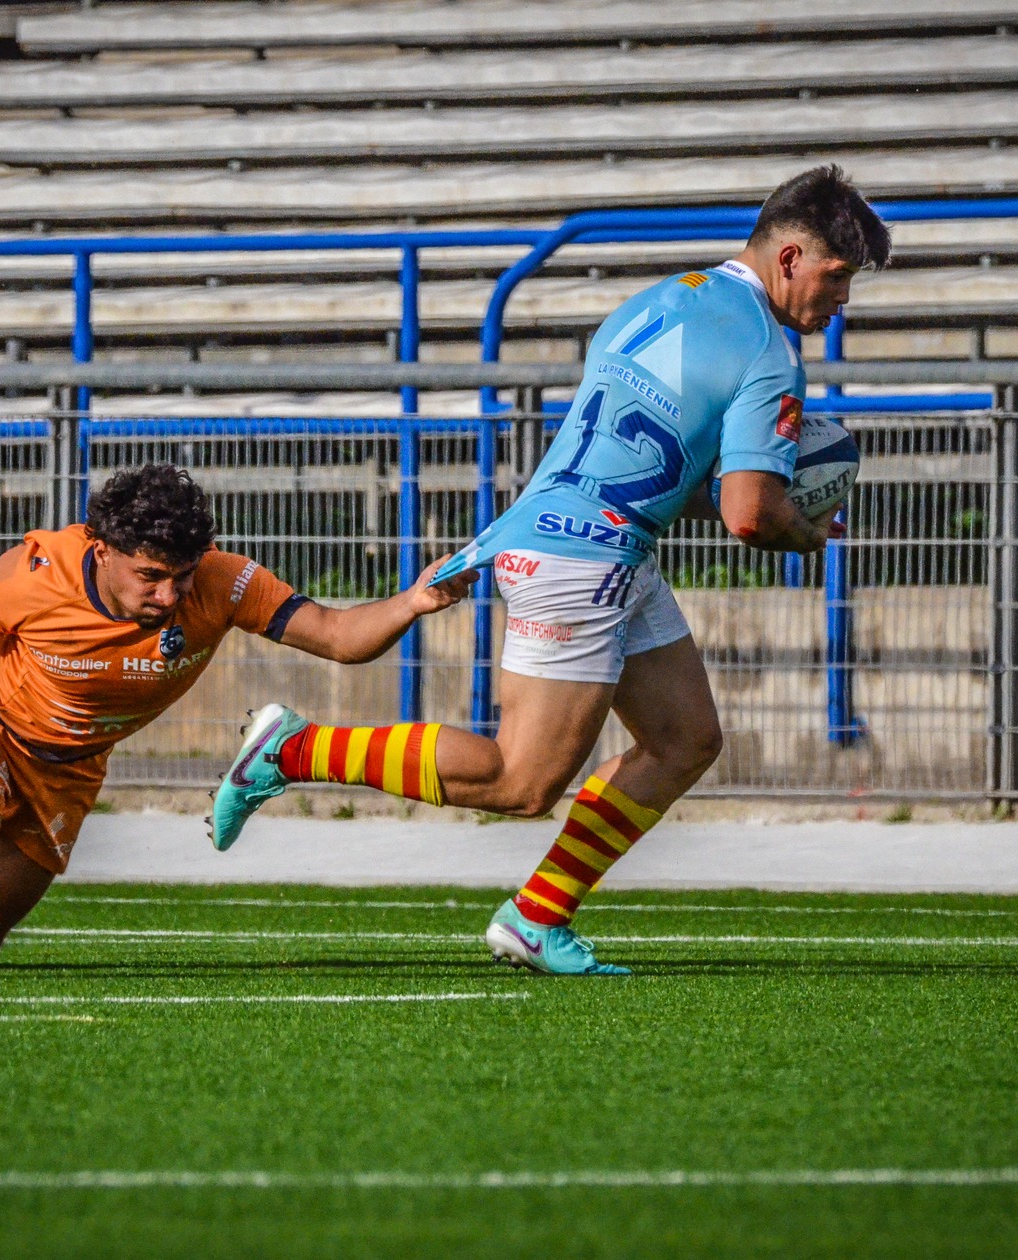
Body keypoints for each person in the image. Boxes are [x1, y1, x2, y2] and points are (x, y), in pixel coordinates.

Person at [211, 164, 889, 976]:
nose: (840, 300)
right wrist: (802, 529)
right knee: (520, 781)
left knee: (684, 739)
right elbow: (748, 512)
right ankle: (291, 751)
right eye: (837, 276)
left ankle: (536, 919)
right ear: (788, 258)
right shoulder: (769, 352)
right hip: (588, 556)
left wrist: (760, 496)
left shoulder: (665, 297)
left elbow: (661, 466)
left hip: (585, 535)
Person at [0, 464, 472, 964]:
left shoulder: (225, 581)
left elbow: (339, 638)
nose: (169, 596)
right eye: (150, 576)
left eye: (180, 577)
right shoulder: (39, 571)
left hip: (69, 767)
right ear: (102, 548)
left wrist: (411, 601)